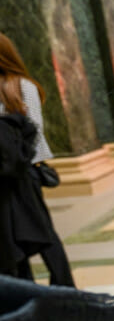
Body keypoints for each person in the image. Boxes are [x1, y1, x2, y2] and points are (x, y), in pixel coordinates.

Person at [0, 33, 75, 287]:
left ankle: (65, 288)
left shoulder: (22, 85)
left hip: (25, 172)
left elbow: (35, 130)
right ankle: (24, 288)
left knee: (41, 231)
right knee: (10, 237)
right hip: (3, 175)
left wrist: (19, 162)